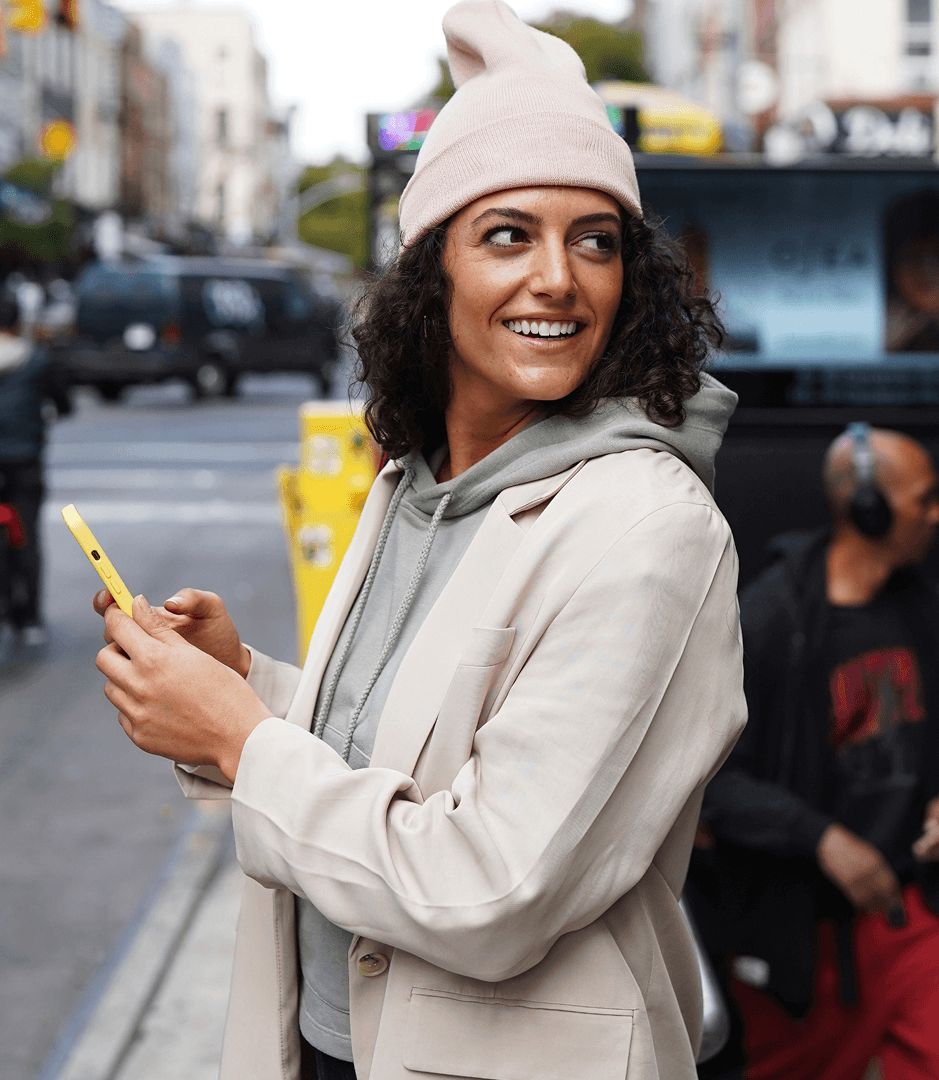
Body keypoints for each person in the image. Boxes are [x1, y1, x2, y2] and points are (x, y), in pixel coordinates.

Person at [91, 4, 746, 1078]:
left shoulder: (649, 528)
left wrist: (238, 741)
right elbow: (425, 746)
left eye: (596, 241)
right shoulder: (416, 481)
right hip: (330, 1043)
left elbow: (489, 884)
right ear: (429, 271)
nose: (559, 279)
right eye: (508, 235)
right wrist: (245, 686)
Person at [692, 424, 939, 1080]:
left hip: (906, 914)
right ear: (868, 509)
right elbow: (709, 781)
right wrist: (822, 838)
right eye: (923, 500)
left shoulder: (918, 607)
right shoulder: (769, 622)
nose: (934, 515)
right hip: (800, 935)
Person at [0, 291, 70, 643]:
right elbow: (64, 403)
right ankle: (29, 619)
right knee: (27, 538)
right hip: (24, 463)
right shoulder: (37, 361)